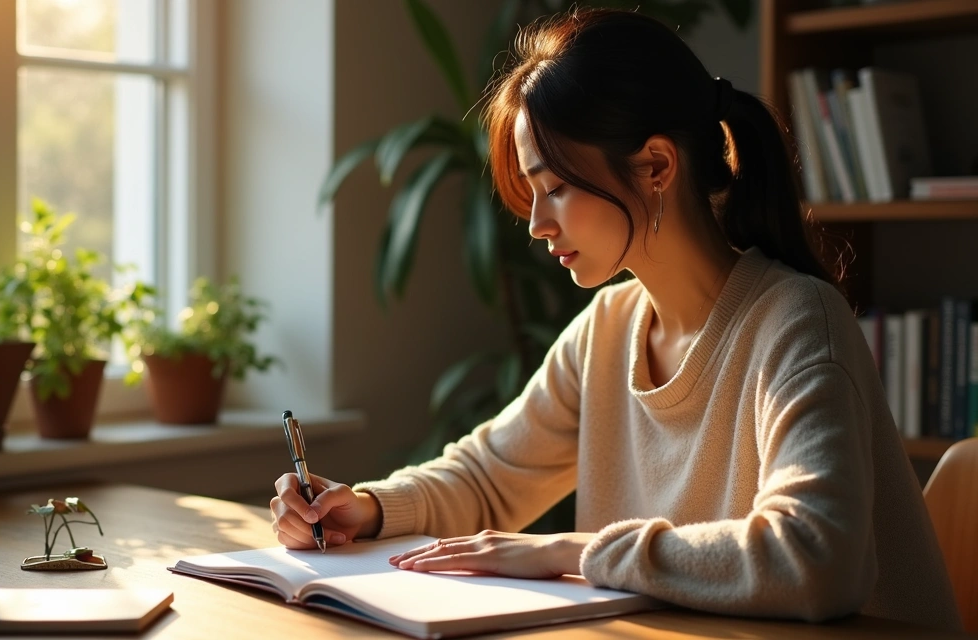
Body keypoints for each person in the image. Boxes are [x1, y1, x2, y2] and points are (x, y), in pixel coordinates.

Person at [270, 7, 961, 630]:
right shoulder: (610, 327)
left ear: (656, 165)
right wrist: (365, 508)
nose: (537, 225)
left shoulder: (798, 322)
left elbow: (815, 557)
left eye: (555, 188)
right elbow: (489, 477)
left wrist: (570, 553)